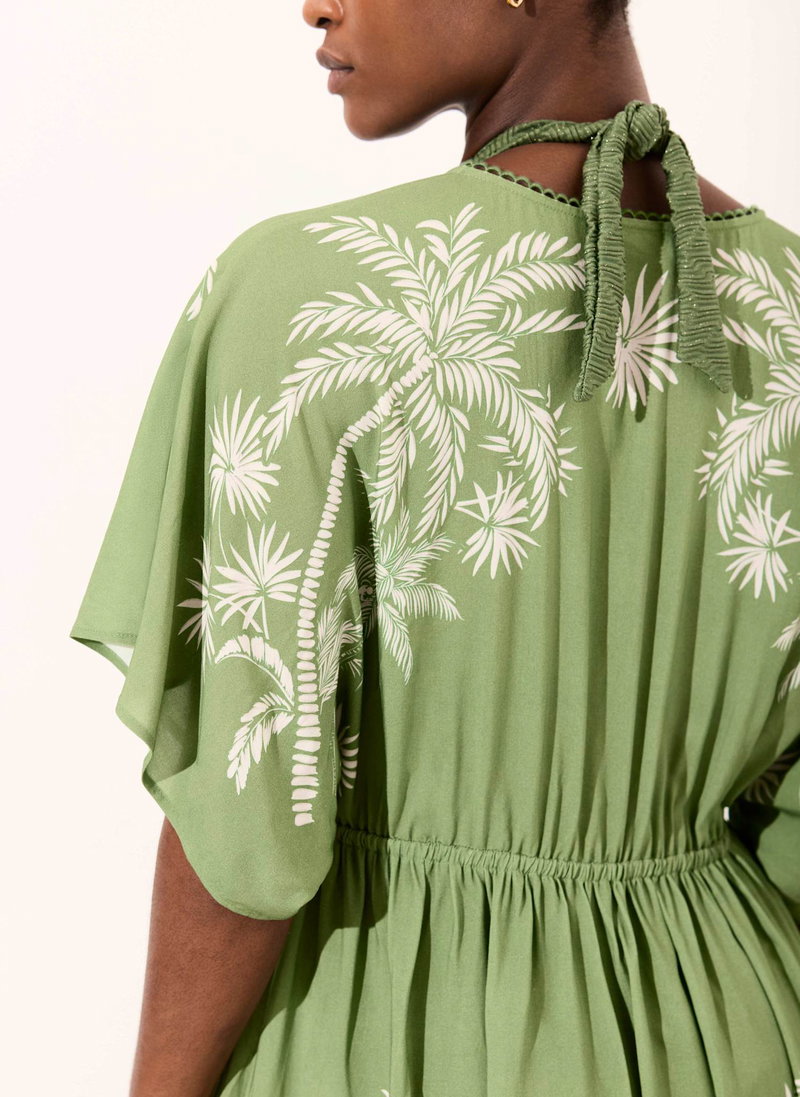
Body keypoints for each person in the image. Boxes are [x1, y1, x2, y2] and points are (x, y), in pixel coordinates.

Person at [68, 0, 800, 1094]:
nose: (315, 4)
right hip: (722, 1029)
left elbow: (246, 824)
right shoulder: (787, 306)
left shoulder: (311, 299)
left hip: (383, 1026)